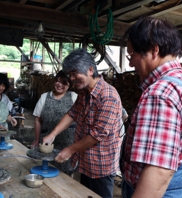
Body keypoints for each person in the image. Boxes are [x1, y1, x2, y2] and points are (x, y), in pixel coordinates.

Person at [120, 17, 182, 197]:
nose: (130, 63)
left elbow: (159, 172)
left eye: (132, 54)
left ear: (153, 50)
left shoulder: (160, 93)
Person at [43, 48, 123, 198]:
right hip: (85, 161)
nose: (72, 78)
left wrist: (70, 150)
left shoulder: (108, 96)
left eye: (75, 73)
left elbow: (96, 135)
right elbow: (72, 113)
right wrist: (52, 134)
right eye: (70, 74)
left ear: (90, 70)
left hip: (101, 166)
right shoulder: (85, 93)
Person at [31, 70, 77, 175]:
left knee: (66, 173)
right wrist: (37, 139)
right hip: (47, 141)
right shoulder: (44, 97)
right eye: (58, 81)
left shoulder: (73, 97)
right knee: (46, 169)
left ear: (69, 85)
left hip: (67, 142)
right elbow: (38, 119)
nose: (60, 85)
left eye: (64, 83)